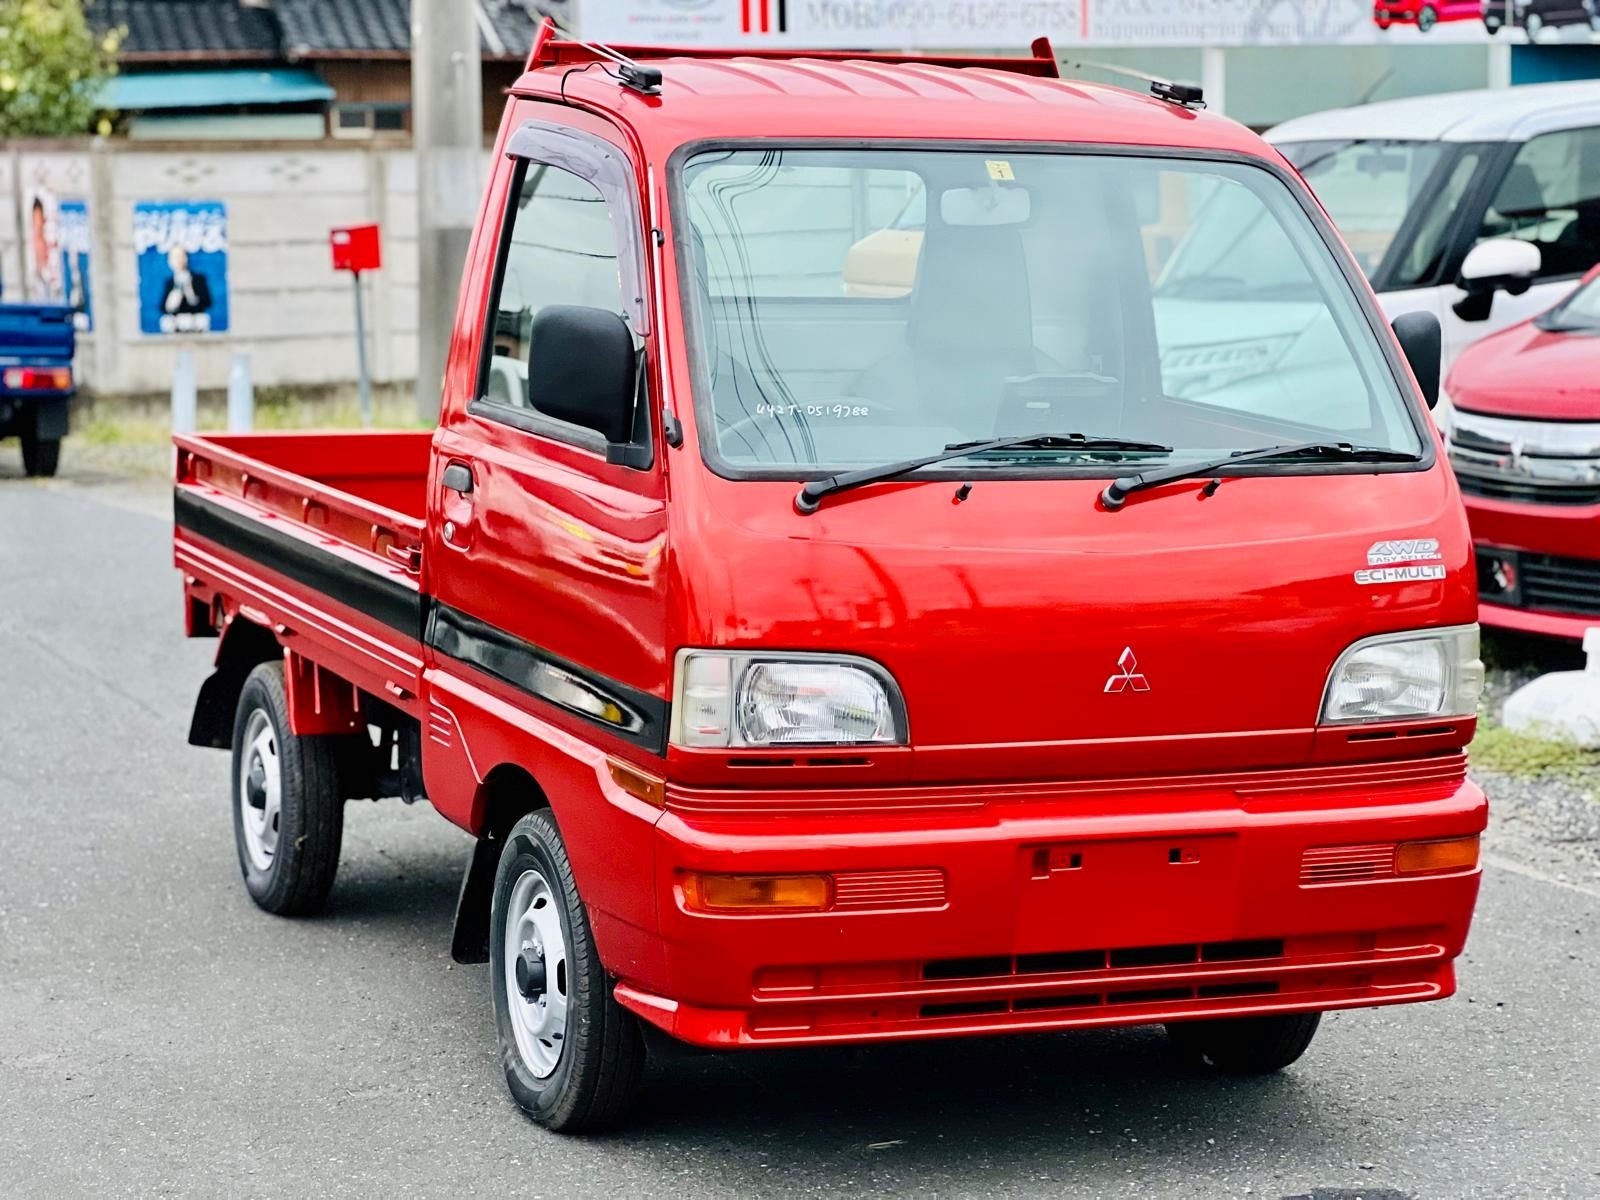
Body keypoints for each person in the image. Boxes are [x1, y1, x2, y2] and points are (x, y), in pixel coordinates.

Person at [161, 246, 212, 318]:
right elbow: (162, 308)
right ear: (169, 261)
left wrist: (192, 296)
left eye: (181, 256)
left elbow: (208, 302)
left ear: (186, 258)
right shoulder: (169, 282)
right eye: (174, 257)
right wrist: (169, 305)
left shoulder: (199, 279)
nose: (178, 260)